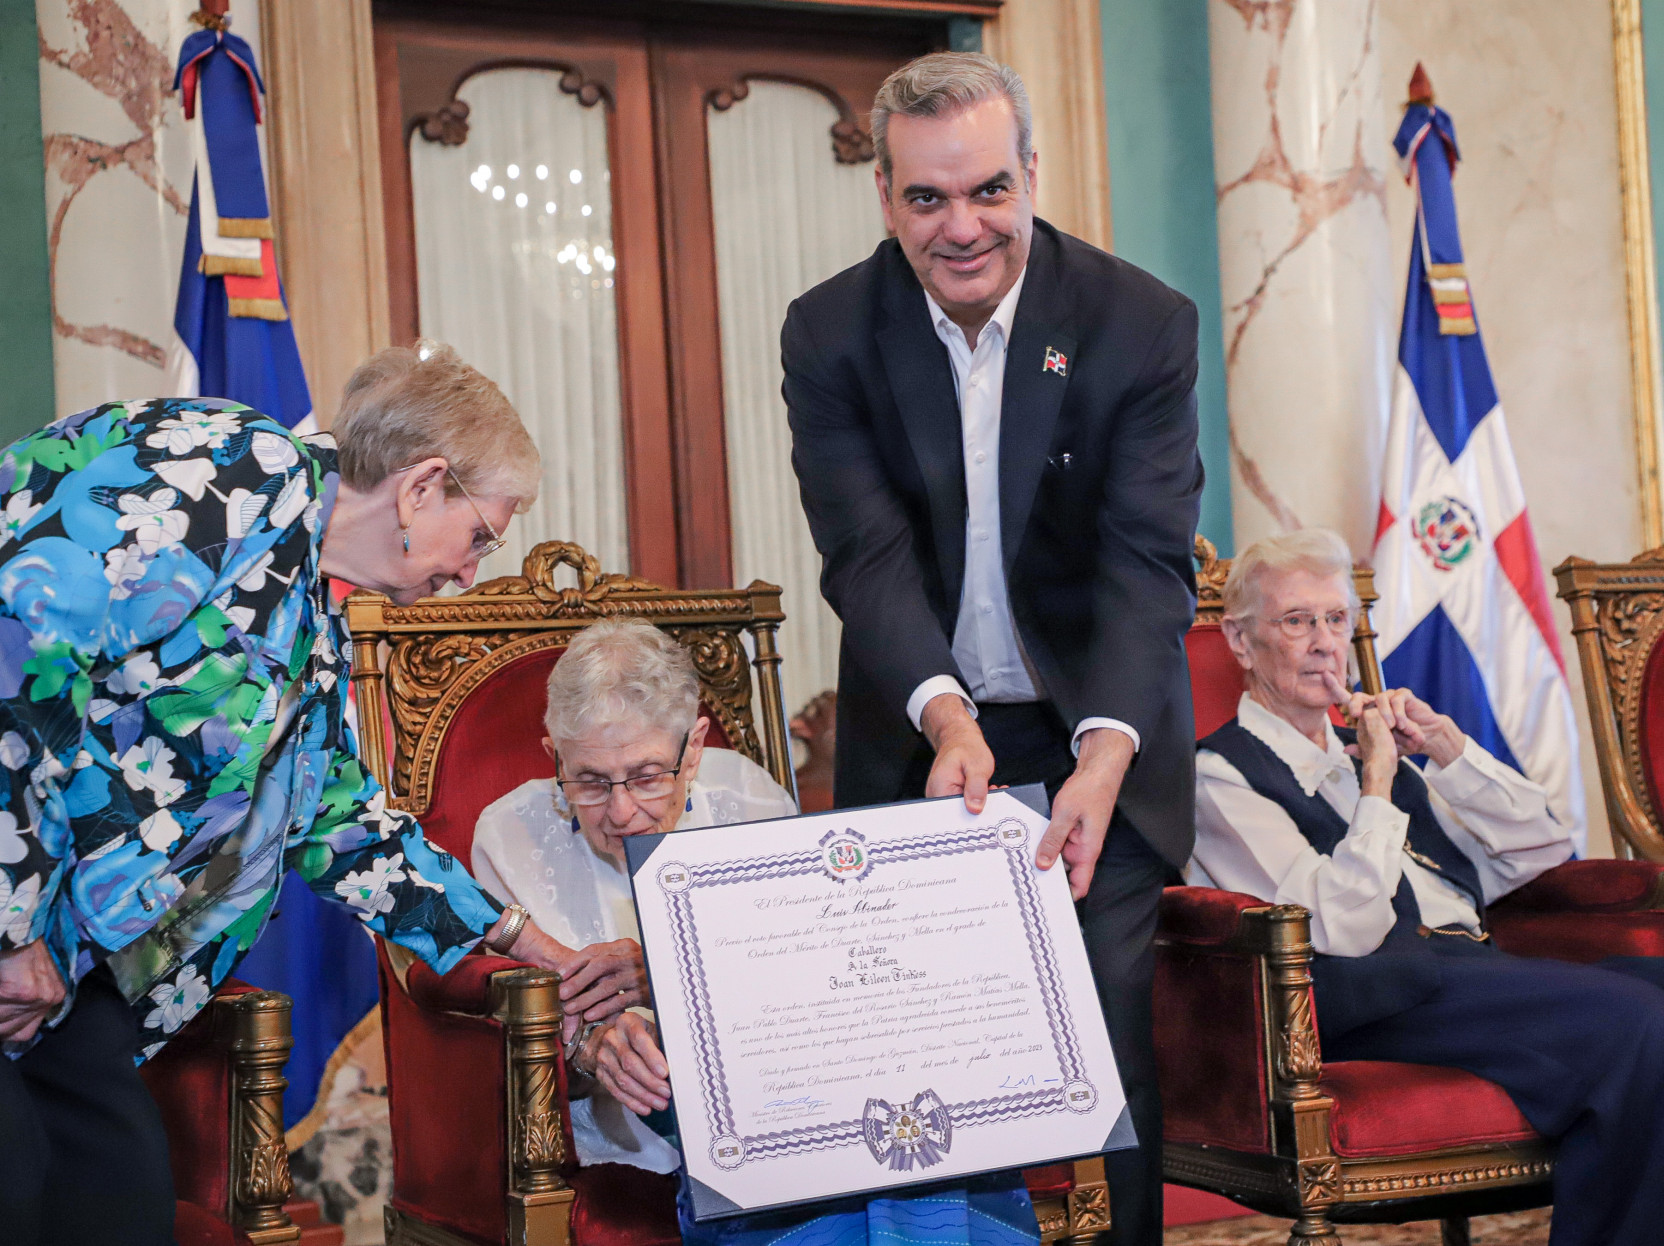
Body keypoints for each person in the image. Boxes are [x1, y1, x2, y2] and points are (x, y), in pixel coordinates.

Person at [0, 344, 585, 1246]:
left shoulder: (309, 604)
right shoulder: (234, 468)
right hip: (23, 921)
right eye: (481, 536)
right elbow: (18, 652)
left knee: (108, 1198)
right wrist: (12, 927)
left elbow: (338, 819)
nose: (472, 572)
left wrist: (521, 940)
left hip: (74, 966)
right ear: (422, 487)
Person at [780, 50, 1203, 1244]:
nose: (961, 227)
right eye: (927, 198)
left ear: (1031, 176)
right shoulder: (831, 331)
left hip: (1098, 732)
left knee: (1104, 1037)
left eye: (987, 192)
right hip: (925, 736)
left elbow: (1144, 562)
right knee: (919, 1064)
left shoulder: (1137, 323)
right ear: (884, 195)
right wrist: (947, 717)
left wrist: (1105, 757)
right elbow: (865, 555)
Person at [1193, 530, 1664, 1246]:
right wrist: (1377, 785)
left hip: (1465, 969)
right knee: (1637, 1019)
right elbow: (1342, 929)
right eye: (1295, 621)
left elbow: (1539, 845)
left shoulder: (1370, 753)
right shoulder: (1221, 775)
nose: (1323, 643)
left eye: (1336, 619)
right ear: (1241, 642)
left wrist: (1446, 747)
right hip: (1365, 996)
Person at [472, 619, 1042, 1246]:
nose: (620, 810)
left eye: (647, 775)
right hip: (634, 1124)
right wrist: (587, 1041)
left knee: (910, 1132)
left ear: (693, 748)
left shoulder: (748, 796)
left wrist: (668, 970)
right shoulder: (508, 836)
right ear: (553, 752)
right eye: (587, 780)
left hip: (783, 1097)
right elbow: (502, 1003)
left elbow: (812, 978)